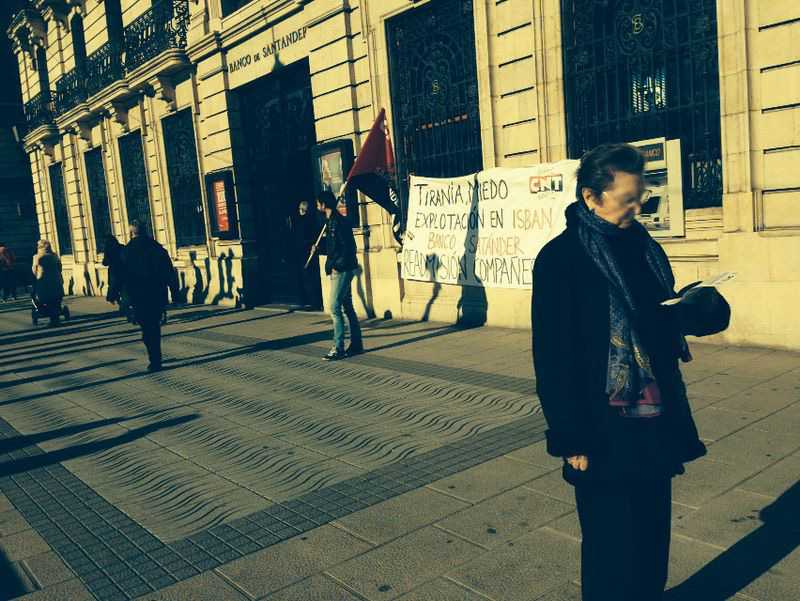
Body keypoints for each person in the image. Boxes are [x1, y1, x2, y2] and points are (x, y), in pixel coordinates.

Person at [531, 143, 708, 601]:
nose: (639, 205)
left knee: (652, 541)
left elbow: (657, 319)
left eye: (641, 195)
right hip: (602, 429)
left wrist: (693, 311)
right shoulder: (561, 259)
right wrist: (570, 438)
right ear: (592, 197)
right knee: (611, 550)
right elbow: (553, 356)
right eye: (628, 198)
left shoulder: (644, 247)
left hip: (654, 419)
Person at [120, 221, 179, 371]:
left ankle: (154, 359)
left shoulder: (127, 251)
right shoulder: (157, 248)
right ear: (146, 231)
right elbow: (169, 272)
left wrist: (119, 296)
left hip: (138, 296)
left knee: (147, 328)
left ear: (131, 233)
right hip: (156, 294)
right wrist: (175, 294)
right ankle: (156, 358)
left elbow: (120, 275)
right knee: (154, 326)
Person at [312, 190, 362, 360]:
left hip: (342, 270)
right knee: (347, 307)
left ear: (323, 204)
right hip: (341, 268)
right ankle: (356, 344)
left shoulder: (338, 222)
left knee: (334, 307)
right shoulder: (331, 221)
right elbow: (335, 248)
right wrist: (319, 249)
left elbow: (349, 247)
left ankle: (338, 346)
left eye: (318, 202)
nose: (317, 205)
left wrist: (336, 266)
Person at [297, 201, 323, 310]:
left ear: (302, 210)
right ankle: (317, 301)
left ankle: (313, 301)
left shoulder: (301, 222)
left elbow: (300, 239)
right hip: (312, 250)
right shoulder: (313, 220)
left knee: (309, 278)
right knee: (314, 277)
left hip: (304, 252)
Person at [31, 240, 63, 326]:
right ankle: (55, 319)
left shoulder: (36, 257)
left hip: (43, 282)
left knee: (45, 299)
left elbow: (34, 270)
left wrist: (38, 275)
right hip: (56, 280)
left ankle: (49, 315)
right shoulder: (54, 256)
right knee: (55, 299)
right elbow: (60, 267)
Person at [102, 235, 124, 305]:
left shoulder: (108, 249)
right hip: (123, 269)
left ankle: (112, 298)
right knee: (122, 286)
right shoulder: (121, 247)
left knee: (113, 286)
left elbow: (106, 262)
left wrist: (104, 262)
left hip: (114, 270)